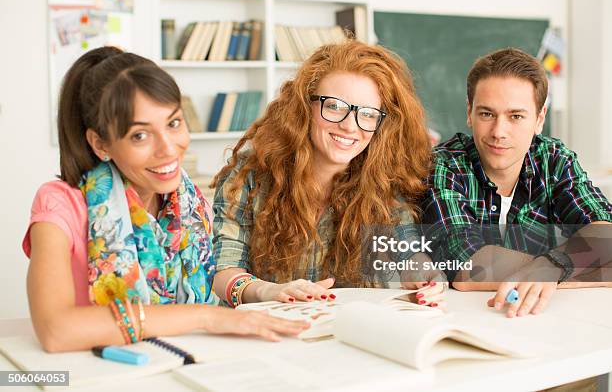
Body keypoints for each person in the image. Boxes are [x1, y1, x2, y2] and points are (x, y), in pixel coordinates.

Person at [23, 46, 308, 352]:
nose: (168, 149)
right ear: (101, 143)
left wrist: (266, 291)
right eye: (140, 136)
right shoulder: (60, 205)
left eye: (173, 123)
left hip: (188, 359)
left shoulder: (188, 200)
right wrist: (206, 317)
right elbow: (56, 331)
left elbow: (210, 280)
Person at [212, 41, 447, 308]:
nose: (349, 126)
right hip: (264, 334)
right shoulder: (251, 175)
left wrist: (425, 275)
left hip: (341, 338)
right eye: (334, 106)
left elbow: (409, 253)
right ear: (304, 106)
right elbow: (223, 273)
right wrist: (269, 291)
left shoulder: (382, 181)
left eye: (368, 114)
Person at [421, 47, 612, 318]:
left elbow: (605, 234)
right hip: (467, 320)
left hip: (545, 321)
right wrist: (573, 269)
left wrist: (553, 266)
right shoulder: (444, 165)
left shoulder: (554, 160)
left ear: (540, 119)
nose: (499, 132)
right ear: (469, 112)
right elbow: (467, 266)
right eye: (487, 114)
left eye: (516, 116)